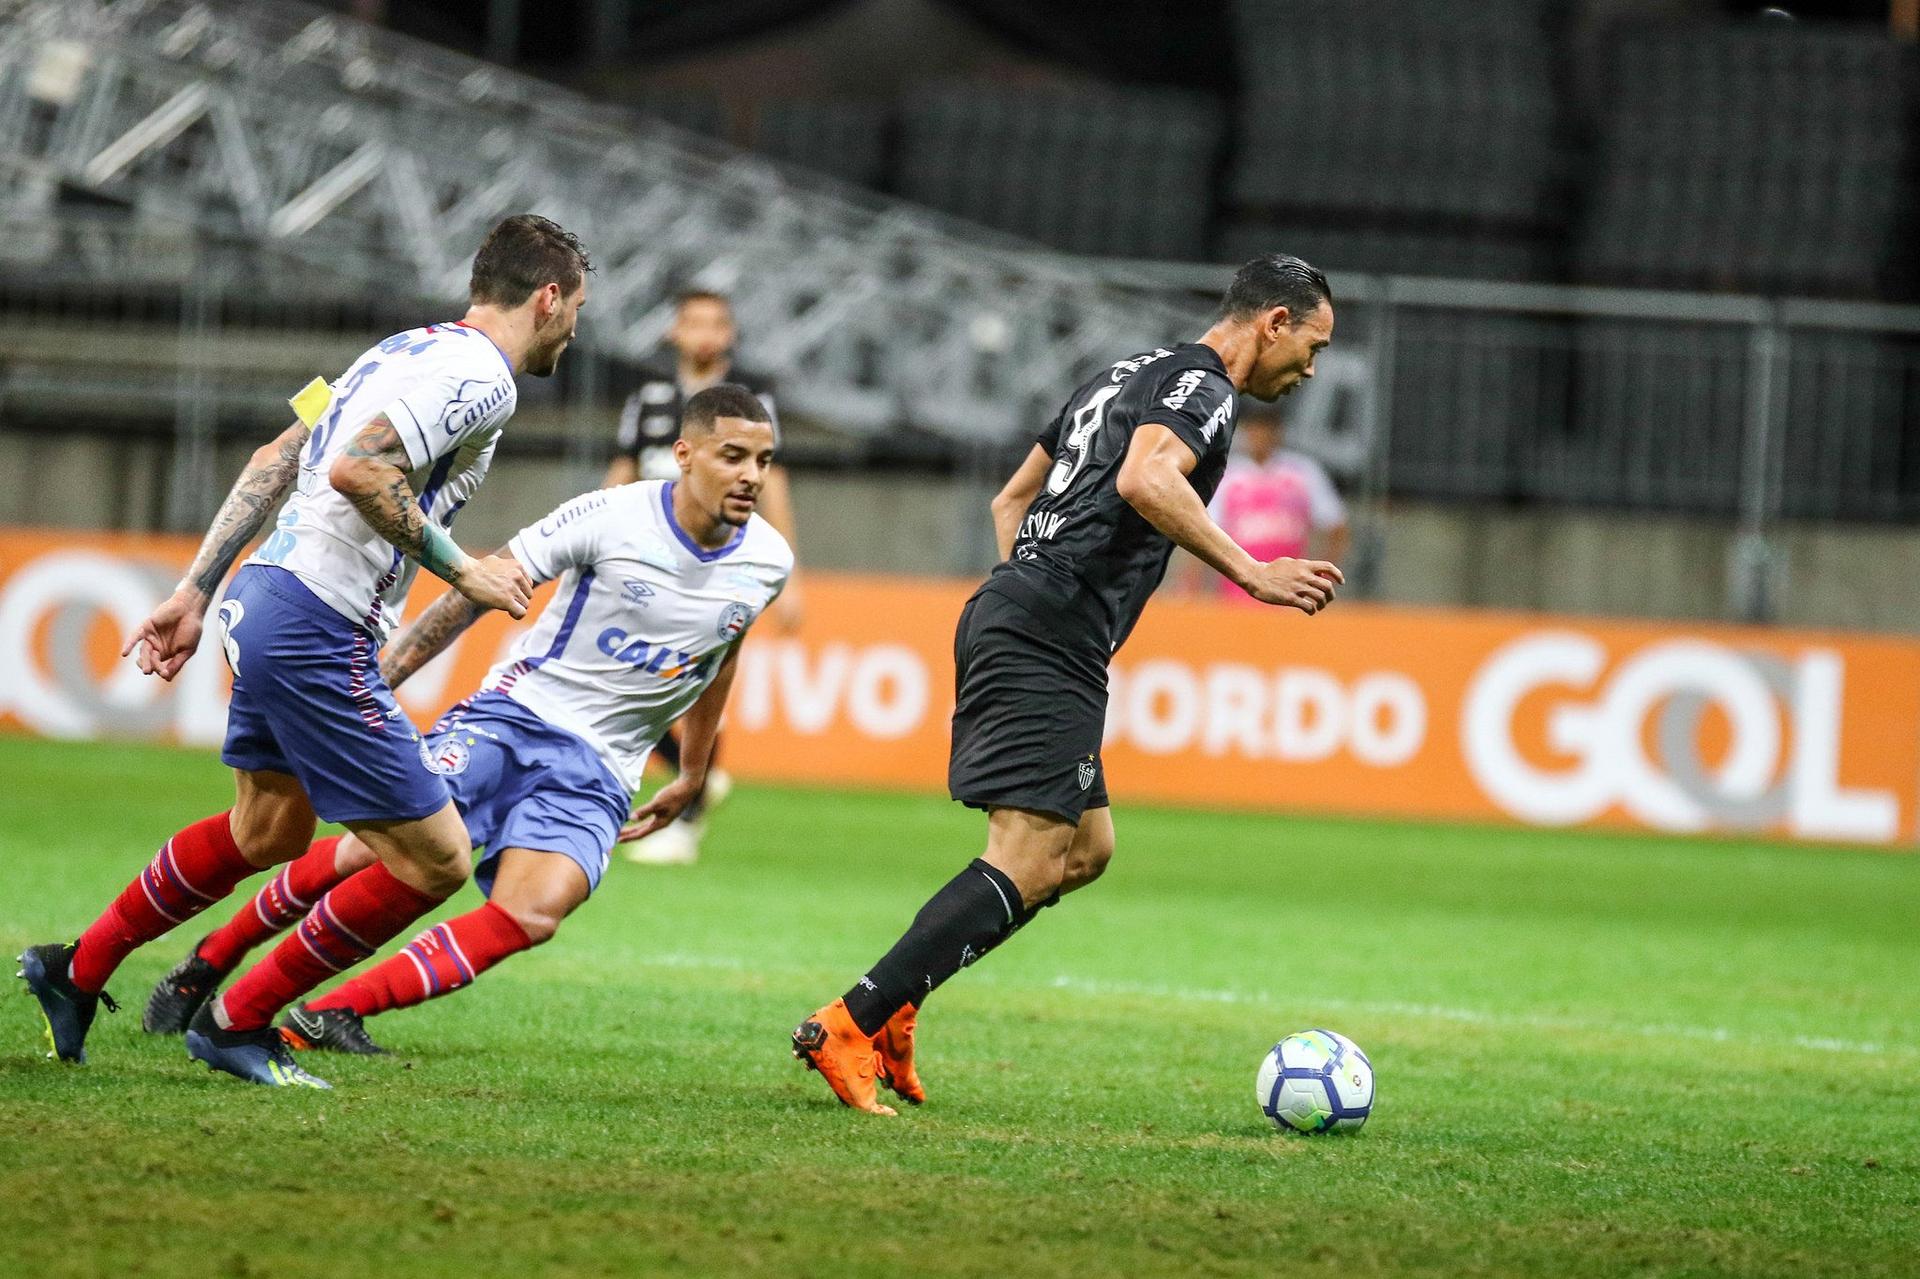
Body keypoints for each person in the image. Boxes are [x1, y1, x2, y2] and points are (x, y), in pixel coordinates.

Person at [17, 214, 591, 1087]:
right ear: (547, 297)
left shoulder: (393, 351)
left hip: (264, 595)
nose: (578, 330)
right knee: (437, 857)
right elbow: (358, 470)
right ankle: (238, 1021)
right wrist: (464, 570)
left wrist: (195, 589)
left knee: (269, 829)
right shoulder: (485, 377)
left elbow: (278, 452)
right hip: (315, 621)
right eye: (577, 308)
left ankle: (76, 967)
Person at [790, 255, 1341, 1115]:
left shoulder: (1127, 373)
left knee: (1085, 851)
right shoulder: (1204, 389)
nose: (1312, 369)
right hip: (1044, 629)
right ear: (1274, 322)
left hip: (1035, 619)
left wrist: (1034, 586)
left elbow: (1012, 496)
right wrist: (1253, 572)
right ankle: (849, 1022)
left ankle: (897, 1006)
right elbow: (1145, 477)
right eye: (1313, 344)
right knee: (1028, 855)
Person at [141, 386, 791, 1059]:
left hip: (603, 767)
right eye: (734, 455)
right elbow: (476, 591)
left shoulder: (768, 562)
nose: (751, 475)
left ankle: (330, 1010)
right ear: (684, 454)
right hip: (514, 718)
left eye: (764, 461)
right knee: (380, 849)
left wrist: (691, 771)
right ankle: (211, 959)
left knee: (534, 911)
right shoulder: (612, 515)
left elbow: (723, 653)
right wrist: (377, 679)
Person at [602, 289, 803, 865]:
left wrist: (793, 573)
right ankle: (698, 773)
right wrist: (587, 530)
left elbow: (775, 485)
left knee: (697, 680)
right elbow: (623, 469)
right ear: (674, 332)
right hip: (646, 564)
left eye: (716, 324)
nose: (704, 334)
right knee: (637, 675)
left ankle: (686, 818)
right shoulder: (650, 399)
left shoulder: (751, 402)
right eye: (693, 323)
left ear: (731, 334)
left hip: (716, 568)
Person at [1201, 402, 1349, 605]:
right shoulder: (1227, 476)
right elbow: (1205, 533)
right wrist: (1193, 586)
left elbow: (1337, 529)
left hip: (1291, 597)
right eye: (1254, 428)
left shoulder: (1303, 472)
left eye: (1267, 428)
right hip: (1236, 597)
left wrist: (1318, 580)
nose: (1260, 435)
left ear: (1278, 431)